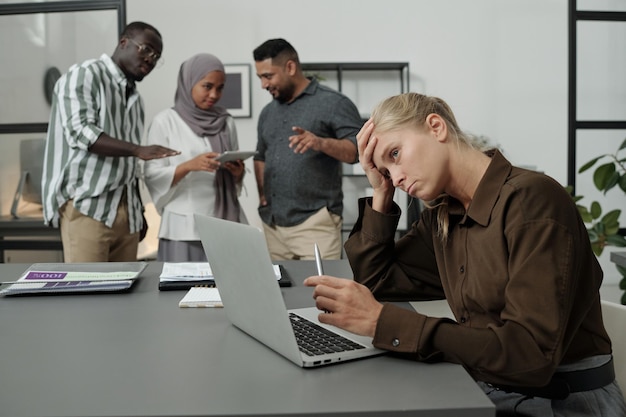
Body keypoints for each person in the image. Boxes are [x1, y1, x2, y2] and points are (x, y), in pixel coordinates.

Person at [304, 92, 626, 416]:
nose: (397, 178)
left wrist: (382, 322)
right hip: (486, 387)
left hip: (561, 403)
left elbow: (530, 357)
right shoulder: (444, 216)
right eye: (387, 171)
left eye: (396, 154)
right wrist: (380, 190)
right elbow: (379, 281)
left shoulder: (533, 202)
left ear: (436, 127)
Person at [42, 21, 180, 263]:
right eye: (146, 50)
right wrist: (138, 150)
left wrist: (138, 212)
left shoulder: (136, 100)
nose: (150, 60)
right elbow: (81, 132)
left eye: (156, 57)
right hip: (88, 207)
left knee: (123, 298)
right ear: (123, 42)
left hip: (127, 214)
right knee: (86, 295)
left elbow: (129, 165)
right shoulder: (84, 74)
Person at [252, 38, 363, 260]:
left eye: (268, 76)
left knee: (321, 294)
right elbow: (261, 155)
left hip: (315, 226)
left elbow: (358, 151)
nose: (263, 84)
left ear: (290, 67)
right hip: (273, 227)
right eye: (260, 77)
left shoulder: (334, 103)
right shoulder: (267, 112)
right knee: (278, 294)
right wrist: (263, 195)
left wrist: (320, 142)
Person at [143, 53, 247, 262]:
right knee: (181, 291)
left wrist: (238, 173)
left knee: (228, 290)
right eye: (207, 86)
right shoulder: (165, 122)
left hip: (226, 222)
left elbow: (234, 175)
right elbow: (152, 175)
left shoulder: (226, 122)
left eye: (220, 88)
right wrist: (188, 166)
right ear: (188, 82)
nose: (214, 94)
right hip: (183, 228)